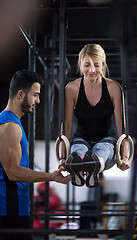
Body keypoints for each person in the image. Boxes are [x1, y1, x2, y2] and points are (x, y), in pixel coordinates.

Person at [0, 70, 71, 240]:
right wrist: (51, 177)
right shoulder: (9, 126)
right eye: (35, 95)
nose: (38, 101)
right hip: (10, 212)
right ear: (20, 94)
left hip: (16, 209)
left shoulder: (12, 122)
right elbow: (13, 172)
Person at [60, 43, 131, 188]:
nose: (92, 70)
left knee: (101, 150)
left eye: (97, 65)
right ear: (80, 65)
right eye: (87, 65)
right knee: (77, 151)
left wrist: (124, 156)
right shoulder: (72, 88)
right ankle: (79, 168)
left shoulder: (113, 88)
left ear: (103, 65)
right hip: (81, 138)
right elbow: (66, 125)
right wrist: (62, 157)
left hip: (107, 140)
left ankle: (94, 167)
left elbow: (120, 123)